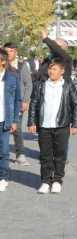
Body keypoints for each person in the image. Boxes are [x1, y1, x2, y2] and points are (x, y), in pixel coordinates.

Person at [27, 58, 77, 194]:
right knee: (45, 155)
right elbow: (34, 103)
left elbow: (76, 105)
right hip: (44, 126)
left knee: (60, 155)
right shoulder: (41, 85)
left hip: (62, 125)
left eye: (55, 69)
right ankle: (45, 181)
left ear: (62, 71)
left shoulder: (68, 85)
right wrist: (31, 122)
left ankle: (57, 180)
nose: (51, 71)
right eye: (50, 69)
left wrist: (75, 124)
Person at [2, 42, 33, 166]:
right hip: (2, 101)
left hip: (16, 103)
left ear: (15, 52)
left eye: (10, 51)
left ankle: (20, 154)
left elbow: (28, 84)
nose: (8, 53)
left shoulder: (22, 66)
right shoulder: (1, 64)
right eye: (6, 51)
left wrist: (25, 100)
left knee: (17, 129)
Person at [0, 49, 22, 192]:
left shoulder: (13, 77)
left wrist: (15, 120)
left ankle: (3, 177)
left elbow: (16, 100)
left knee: (4, 150)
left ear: (2, 61)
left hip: (4, 120)